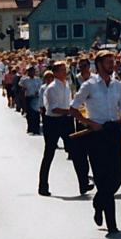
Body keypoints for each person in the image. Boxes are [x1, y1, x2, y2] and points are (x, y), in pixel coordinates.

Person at [68, 51, 121, 235]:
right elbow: (73, 109)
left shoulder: (117, 85)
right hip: (96, 135)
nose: (112, 65)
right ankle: (112, 225)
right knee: (102, 179)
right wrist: (90, 123)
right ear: (98, 64)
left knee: (117, 178)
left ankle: (98, 202)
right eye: (108, 62)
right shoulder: (89, 86)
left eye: (113, 62)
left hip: (113, 133)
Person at [39, 62, 91, 197]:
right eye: (61, 70)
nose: (64, 72)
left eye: (65, 70)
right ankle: (43, 185)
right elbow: (53, 108)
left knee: (76, 151)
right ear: (55, 73)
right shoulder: (51, 88)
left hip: (66, 121)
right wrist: (71, 111)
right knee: (49, 153)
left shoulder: (67, 85)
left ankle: (83, 184)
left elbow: (70, 102)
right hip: (53, 122)